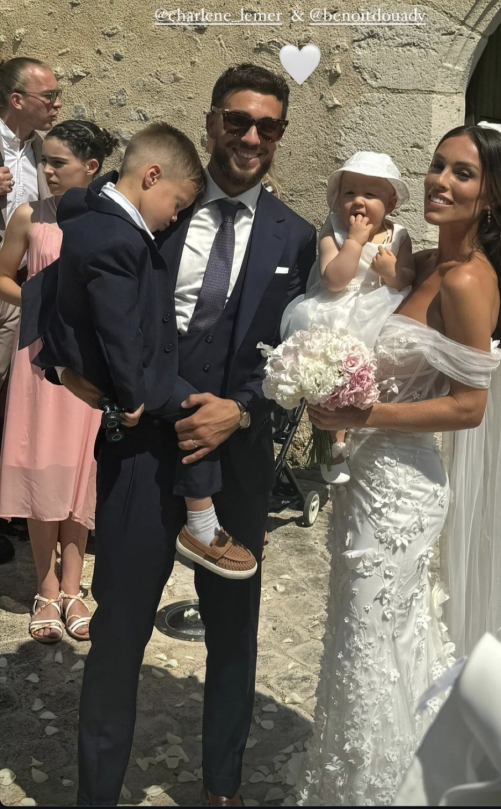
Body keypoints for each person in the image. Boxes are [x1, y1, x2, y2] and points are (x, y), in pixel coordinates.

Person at [27, 64, 317, 807]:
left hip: (237, 470)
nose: (252, 136)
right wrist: (64, 365)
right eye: (237, 120)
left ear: (281, 135)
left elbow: (293, 361)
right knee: (119, 636)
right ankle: (97, 792)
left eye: (269, 125)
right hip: (141, 460)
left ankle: (221, 786)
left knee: (233, 639)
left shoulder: (297, 238)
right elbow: (66, 267)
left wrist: (243, 409)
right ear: (212, 121)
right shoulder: (157, 206)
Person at [290, 122, 501, 806]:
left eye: (463, 173)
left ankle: (380, 790)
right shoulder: (424, 259)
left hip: (402, 490)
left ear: (493, 195)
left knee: (370, 648)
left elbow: (469, 406)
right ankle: (390, 778)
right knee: (373, 642)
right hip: (368, 480)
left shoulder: (468, 279)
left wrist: (362, 414)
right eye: (438, 165)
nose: (441, 180)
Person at [36, 122, 256, 578]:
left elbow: (80, 201)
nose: (175, 217)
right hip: (127, 372)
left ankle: (200, 521)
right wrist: (133, 393)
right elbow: (117, 325)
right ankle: (202, 525)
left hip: (106, 363)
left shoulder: (89, 209)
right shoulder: (117, 239)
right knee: (196, 414)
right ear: (151, 176)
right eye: (176, 204)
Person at [0, 121, 116, 643]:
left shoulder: (110, 221)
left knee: (80, 471)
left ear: (90, 168)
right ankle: (45, 587)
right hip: (40, 365)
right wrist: (41, 305)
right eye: (43, 161)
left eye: (57, 162)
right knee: (40, 469)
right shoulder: (28, 215)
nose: (44, 170)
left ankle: (75, 586)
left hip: (89, 367)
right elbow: (2, 275)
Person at [282, 152, 415, 483]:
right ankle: (333, 445)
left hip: (378, 309)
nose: (358, 201)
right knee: (331, 380)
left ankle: (370, 439)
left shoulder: (398, 235)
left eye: (370, 194)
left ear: (391, 201)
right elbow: (334, 279)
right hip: (336, 310)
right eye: (349, 193)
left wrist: (394, 273)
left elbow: (408, 276)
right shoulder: (334, 231)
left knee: (372, 377)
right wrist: (354, 242)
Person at [0, 57, 61, 565]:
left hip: (19, 293)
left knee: (11, 405)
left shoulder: (40, 152)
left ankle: (12, 515)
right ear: (17, 100)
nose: (57, 104)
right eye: (49, 96)